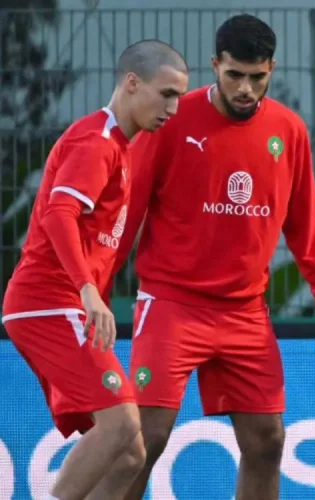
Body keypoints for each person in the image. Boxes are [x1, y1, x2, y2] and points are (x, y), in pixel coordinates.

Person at [103, 15, 315, 500]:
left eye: (257, 77)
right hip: (172, 303)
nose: (245, 88)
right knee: (145, 438)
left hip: (245, 313)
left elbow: (306, 226)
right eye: (234, 74)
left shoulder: (289, 131)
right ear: (215, 65)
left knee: (267, 441)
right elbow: (126, 214)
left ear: (271, 70)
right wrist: (100, 287)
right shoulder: (170, 122)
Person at [1, 40, 188, 500]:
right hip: (48, 301)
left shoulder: (122, 148)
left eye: (180, 96)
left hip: (62, 304)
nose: (174, 107)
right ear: (131, 83)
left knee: (129, 454)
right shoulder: (96, 142)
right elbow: (58, 215)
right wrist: (87, 292)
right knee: (121, 422)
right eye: (166, 93)